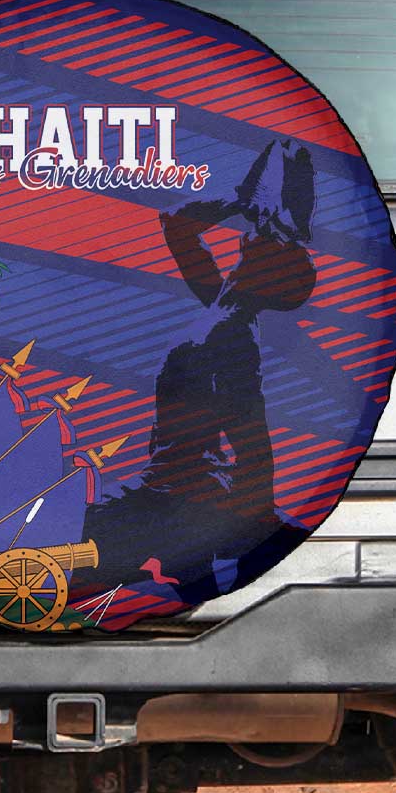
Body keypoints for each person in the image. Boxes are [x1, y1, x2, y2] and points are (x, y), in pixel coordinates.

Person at [81, 138, 318, 604]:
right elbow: (177, 223)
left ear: (261, 270)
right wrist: (241, 199)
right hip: (182, 494)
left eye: (264, 244)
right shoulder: (220, 308)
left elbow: (252, 443)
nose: (252, 236)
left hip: (181, 502)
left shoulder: (230, 337)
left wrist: (258, 521)